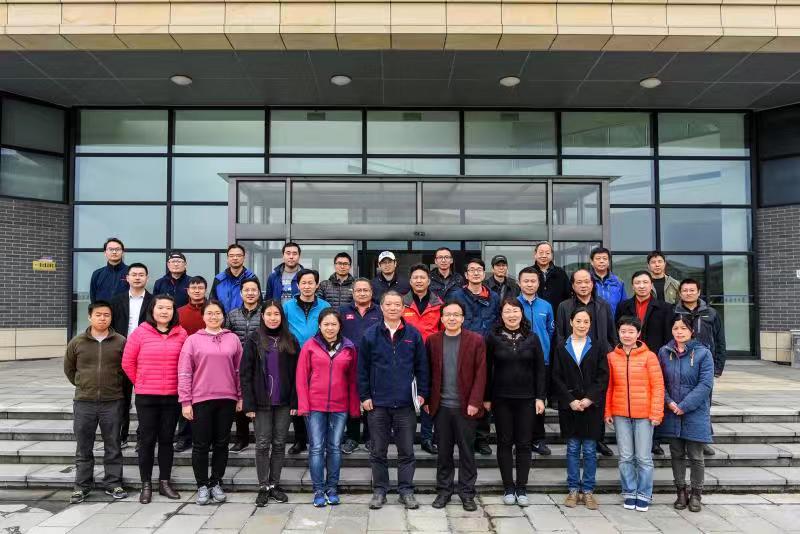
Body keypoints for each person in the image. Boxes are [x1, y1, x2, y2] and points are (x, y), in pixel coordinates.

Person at [358, 291, 429, 511]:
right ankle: (380, 491)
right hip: (378, 404)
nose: (392, 308)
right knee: (378, 451)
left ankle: (406, 491)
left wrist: (422, 393)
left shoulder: (413, 334)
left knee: (406, 451)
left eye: (397, 304)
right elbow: (362, 369)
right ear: (381, 307)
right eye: (388, 304)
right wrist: (364, 396)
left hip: (405, 404)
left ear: (403, 308)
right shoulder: (370, 335)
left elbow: (422, 366)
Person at [121, 295, 187, 504]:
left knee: (167, 440)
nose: (164, 311)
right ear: (152, 310)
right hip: (147, 397)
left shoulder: (181, 333)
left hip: (172, 397)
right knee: (147, 441)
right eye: (160, 307)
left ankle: (164, 482)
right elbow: (127, 362)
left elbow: (186, 363)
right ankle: (146, 484)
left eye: (169, 308)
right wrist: (141, 382)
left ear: (174, 311)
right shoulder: (140, 333)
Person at [178, 300, 243, 506]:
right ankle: (202, 485)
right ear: (203, 316)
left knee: (222, 443)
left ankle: (216, 482)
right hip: (201, 399)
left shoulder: (233, 339)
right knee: (201, 445)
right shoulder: (192, 340)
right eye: (209, 313)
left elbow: (239, 370)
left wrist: (240, 396)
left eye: (217, 313)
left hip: (227, 399)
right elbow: (185, 372)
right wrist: (185, 401)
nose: (213, 317)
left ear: (223, 316)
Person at [64, 301, 128, 504]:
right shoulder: (77, 342)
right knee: (84, 446)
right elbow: (69, 369)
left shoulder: (121, 341)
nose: (102, 318)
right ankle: (82, 486)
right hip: (84, 402)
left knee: (113, 445)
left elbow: (126, 369)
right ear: (90, 317)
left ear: (111, 318)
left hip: (112, 401)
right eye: (98, 314)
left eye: (106, 315)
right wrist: (83, 384)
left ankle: (113, 483)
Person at [485, 298, 546, 507]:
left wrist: (540, 397)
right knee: (504, 442)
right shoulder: (492, 338)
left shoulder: (532, 338)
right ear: (501, 315)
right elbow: (486, 369)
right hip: (501, 398)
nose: (512, 315)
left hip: (527, 399)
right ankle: (508, 487)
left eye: (515, 311)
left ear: (522, 313)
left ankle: (521, 487)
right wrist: (486, 398)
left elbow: (540, 370)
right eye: (507, 311)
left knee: (524, 443)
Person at [296, 309, 360, 507]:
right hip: (315, 405)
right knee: (316, 447)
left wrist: (354, 407)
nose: (330, 328)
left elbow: (353, 380)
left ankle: (332, 488)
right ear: (319, 326)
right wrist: (303, 405)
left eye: (334, 324)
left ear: (340, 326)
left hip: (339, 406)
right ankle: (318, 490)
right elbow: (301, 378)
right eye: (326, 324)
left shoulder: (349, 347)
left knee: (334, 447)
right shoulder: (310, 346)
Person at [426, 300, 486, 512]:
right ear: (441, 318)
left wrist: (475, 402)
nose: (452, 318)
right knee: (443, 452)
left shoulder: (476, 340)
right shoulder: (433, 341)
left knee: (467, 452)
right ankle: (444, 491)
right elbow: (427, 373)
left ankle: (467, 493)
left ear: (463, 318)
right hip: (441, 406)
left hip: (465, 407)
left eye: (456, 315)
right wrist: (427, 400)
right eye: (448, 315)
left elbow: (481, 373)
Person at [241, 300, 300, 507]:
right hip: (261, 403)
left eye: (276, 314)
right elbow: (245, 373)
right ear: (262, 316)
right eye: (269, 314)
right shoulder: (254, 339)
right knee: (262, 443)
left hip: (284, 402)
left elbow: (298, 374)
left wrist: (295, 400)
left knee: (279, 443)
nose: (273, 318)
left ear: (282, 317)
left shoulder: (290, 339)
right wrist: (248, 404)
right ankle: (263, 486)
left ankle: (275, 484)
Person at [551, 307, 609, 510]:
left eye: (586, 322)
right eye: (578, 321)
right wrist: (570, 400)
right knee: (573, 448)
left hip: (591, 407)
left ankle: (588, 491)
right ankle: (573, 489)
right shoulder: (561, 347)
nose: (582, 325)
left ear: (590, 324)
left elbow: (603, 376)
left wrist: (589, 399)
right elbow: (556, 376)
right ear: (571, 322)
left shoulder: (598, 346)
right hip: (570, 407)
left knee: (591, 450)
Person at [605, 316, 664, 513]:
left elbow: (658, 386)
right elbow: (609, 387)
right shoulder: (612, 357)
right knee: (625, 456)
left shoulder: (650, 357)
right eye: (623, 331)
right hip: (620, 413)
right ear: (618, 333)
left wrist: (656, 413)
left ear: (638, 334)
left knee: (644, 457)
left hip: (644, 415)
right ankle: (630, 492)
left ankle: (644, 494)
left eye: (631, 332)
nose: (627, 335)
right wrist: (607, 411)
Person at [556, 268, 617, 457]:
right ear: (573, 286)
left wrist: (612, 351)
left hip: (599, 359)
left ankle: (599, 440)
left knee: (597, 399)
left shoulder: (603, 305)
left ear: (592, 284)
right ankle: (577, 438)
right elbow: (560, 334)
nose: (583, 285)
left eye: (587, 282)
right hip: (574, 358)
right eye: (579, 282)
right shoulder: (564, 306)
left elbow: (611, 332)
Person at [657, 316, 714, 513]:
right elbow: (659, 381)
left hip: (695, 412)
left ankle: (696, 493)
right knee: (677, 453)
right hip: (672, 410)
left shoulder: (703, 353)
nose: (679, 332)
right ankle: (681, 491)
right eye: (675, 328)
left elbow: (705, 384)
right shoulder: (664, 352)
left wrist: (684, 405)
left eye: (683, 328)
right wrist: (669, 402)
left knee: (696, 455)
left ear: (691, 331)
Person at [615, 271, 673, 457]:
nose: (641, 286)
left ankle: (654, 441)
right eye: (637, 282)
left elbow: (668, 336)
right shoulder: (623, 306)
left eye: (645, 282)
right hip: (628, 358)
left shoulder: (664, 308)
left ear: (651, 285)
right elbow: (618, 331)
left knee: (653, 396)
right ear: (632, 285)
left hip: (653, 359)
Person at [674, 278, 726, 456]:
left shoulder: (711, 313)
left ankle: (702, 440)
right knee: (682, 400)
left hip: (704, 364)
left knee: (703, 403)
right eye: (685, 290)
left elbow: (720, 340)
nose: (688, 293)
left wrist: (718, 366)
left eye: (692, 290)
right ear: (680, 293)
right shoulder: (674, 312)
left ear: (698, 292)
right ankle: (681, 438)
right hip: (679, 363)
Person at [283, 269, 331, 455]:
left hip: (319, 357)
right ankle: (300, 440)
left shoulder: (325, 305)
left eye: (311, 282)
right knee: (298, 397)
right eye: (303, 283)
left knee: (318, 396)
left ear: (317, 285)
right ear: (298, 285)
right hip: (294, 357)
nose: (307, 286)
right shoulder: (288, 306)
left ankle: (319, 439)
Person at [401, 263, 443, 455]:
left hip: (431, 357)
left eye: (422, 277)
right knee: (406, 397)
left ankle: (426, 437)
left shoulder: (439, 304)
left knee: (428, 397)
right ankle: (406, 438)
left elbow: (443, 331)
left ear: (429, 281)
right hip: (406, 357)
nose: (419, 280)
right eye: (415, 277)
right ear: (410, 281)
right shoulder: (401, 303)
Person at [110, 262, 153, 449]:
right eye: (134, 274)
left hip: (147, 355)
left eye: (141, 274)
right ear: (127, 278)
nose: (137, 277)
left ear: (147, 278)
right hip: (123, 353)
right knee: (122, 398)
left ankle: (143, 437)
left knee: (145, 399)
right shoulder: (116, 301)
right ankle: (122, 436)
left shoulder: (154, 301)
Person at [338, 278, 383, 455]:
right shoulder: (342, 311)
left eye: (366, 290)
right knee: (352, 401)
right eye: (359, 290)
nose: (362, 293)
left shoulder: (380, 311)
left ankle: (370, 437)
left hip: (375, 364)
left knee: (373, 401)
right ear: (353, 292)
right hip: (349, 364)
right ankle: (352, 437)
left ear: (372, 292)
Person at [517, 267, 555, 457]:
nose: (530, 284)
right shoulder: (513, 304)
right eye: (526, 281)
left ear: (539, 283)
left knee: (539, 401)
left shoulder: (546, 306)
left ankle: (538, 439)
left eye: (533, 281)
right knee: (519, 402)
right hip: (518, 361)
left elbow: (550, 330)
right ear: (519, 283)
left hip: (542, 361)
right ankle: (520, 440)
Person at [225, 278, 263, 453]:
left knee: (260, 401)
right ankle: (242, 439)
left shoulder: (265, 313)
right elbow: (225, 336)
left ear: (259, 293)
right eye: (246, 290)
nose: (250, 293)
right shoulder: (232, 315)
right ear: (241, 293)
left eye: (254, 290)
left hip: (261, 363)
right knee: (240, 401)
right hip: (238, 364)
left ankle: (262, 438)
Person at [174, 275, 208, 452]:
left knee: (205, 403)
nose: (197, 291)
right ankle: (184, 437)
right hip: (185, 362)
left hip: (208, 363)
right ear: (187, 290)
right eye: (193, 287)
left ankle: (204, 438)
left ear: (205, 290)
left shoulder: (212, 310)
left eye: (200, 287)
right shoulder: (179, 312)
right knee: (185, 400)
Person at [454, 258, 500, 338]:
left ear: (484, 274)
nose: (476, 273)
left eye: (479, 270)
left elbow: (498, 322)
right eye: (472, 270)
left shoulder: (494, 297)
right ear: (466, 275)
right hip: (465, 342)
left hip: (488, 343)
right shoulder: (456, 296)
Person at [211, 244, 257, 312]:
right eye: (231, 256)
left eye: (238, 255)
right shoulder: (219, 279)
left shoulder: (251, 278)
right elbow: (212, 304)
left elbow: (258, 304)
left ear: (244, 258)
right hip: (224, 318)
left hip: (246, 318)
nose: (235, 258)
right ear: (227, 258)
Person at [530, 241, 571, 315]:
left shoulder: (560, 272)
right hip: (534, 315)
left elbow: (567, 296)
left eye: (547, 253)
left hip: (556, 315)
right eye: (541, 253)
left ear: (552, 255)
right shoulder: (529, 272)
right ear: (535, 255)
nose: (544, 256)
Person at [589, 247, 627, 317]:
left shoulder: (618, 282)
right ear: (592, 262)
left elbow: (624, 305)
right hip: (592, 321)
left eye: (605, 258)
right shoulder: (587, 281)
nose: (601, 261)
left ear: (609, 262)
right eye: (598, 258)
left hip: (614, 321)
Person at [89, 237, 129, 303]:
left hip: (125, 310)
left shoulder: (130, 272)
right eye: (111, 249)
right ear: (105, 253)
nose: (114, 252)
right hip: (103, 309)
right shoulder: (97, 274)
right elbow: (93, 298)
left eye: (117, 249)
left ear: (123, 252)